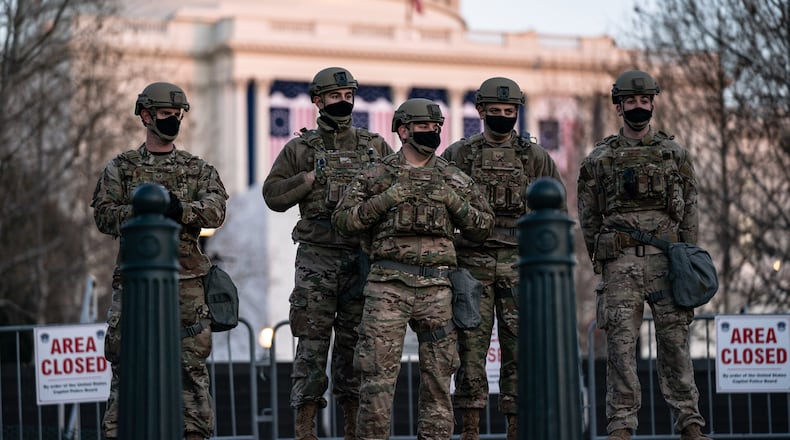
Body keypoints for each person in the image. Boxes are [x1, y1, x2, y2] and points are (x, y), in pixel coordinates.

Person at [332, 98, 494, 440]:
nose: (432, 133)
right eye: (423, 127)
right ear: (403, 131)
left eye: (437, 128)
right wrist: (388, 198)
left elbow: (483, 226)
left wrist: (452, 201)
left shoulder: (452, 177)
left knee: (439, 382)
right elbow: (344, 221)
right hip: (387, 287)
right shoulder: (378, 175)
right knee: (376, 381)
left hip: (437, 288)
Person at [576, 69, 710, 440]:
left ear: (652, 103)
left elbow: (691, 210)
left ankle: (690, 423)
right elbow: (588, 216)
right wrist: (602, 260)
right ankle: (621, 426)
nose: (638, 107)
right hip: (621, 266)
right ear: (618, 107)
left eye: (644, 100)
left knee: (676, 346)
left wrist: (687, 258)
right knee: (620, 349)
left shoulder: (674, 154)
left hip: (667, 263)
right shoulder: (599, 159)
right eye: (631, 101)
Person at [262, 67, 393, 440]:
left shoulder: (374, 145)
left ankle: (352, 429)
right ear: (317, 101)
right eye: (335, 96)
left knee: (355, 345)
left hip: (360, 258)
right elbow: (272, 195)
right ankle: (305, 429)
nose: (343, 102)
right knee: (311, 344)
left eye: (348, 95)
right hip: (317, 257)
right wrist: (306, 181)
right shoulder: (300, 149)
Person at [92, 81, 228, 440]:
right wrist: (142, 210)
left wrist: (180, 209)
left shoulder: (197, 169)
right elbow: (104, 216)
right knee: (127, 367)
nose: (173, 121)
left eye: (177, 115)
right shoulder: (121, 168)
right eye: (166, 115)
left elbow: (215, 211)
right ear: (147, 116)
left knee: (191, 372)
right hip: (135, 285)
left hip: (188, 284)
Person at [440, 76, 564, 440]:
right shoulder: (459, 155)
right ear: (480, 111)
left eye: (509, 112)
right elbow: (441, 205)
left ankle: (517, 427)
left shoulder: (535, 157)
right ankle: (470, 429)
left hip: (518, 263)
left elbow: (554, 208)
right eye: (495, 111)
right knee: (469, 351)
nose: (502, 117)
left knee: (520, 351)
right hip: (472, 265)